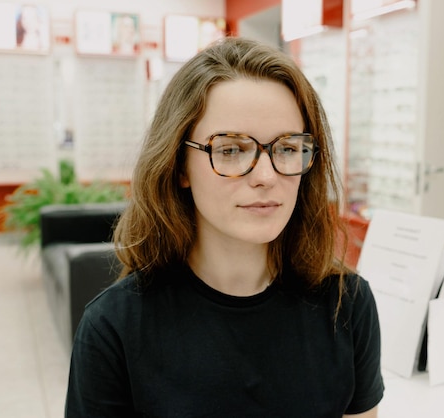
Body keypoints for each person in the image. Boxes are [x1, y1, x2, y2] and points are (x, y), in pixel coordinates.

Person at [65, 37, 384, 417]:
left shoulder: (346, 304)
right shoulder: (114, 329)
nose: (266, 176)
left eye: (286, 148)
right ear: (180, 165)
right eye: (231, 149)